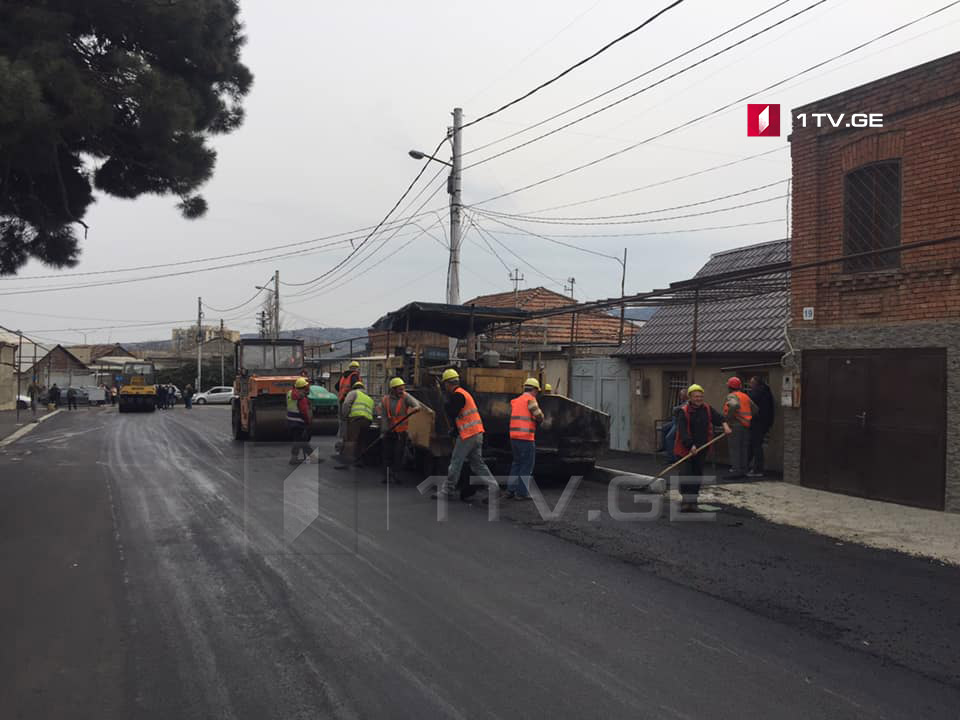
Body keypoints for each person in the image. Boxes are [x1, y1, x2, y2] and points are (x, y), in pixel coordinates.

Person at [435, 368, 497, 502]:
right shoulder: (464, 394)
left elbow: (453, 412)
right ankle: (494, 489)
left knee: (456, 462)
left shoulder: (457, 395)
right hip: (477, 433)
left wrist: (444, 404)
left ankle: (447, 491)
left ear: (448, 384)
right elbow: (463, 417)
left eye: (445, 384)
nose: (445, 387)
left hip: (468, 435)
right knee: (478, 464)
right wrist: (455, 431)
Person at [674, 384, 732, 512]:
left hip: (701, 448)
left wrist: (725, 426)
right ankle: (685, 502)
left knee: (696, 474)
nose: (699, 399)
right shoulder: (683, 411)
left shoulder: (707, 408)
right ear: (690, 397)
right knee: (686, 474)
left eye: (700, 396)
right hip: (685, 449)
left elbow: (719, 418)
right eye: (696, 396)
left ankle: (693, 502)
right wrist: (690, 445)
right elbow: (683, 432)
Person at [506, 378, 545, 500]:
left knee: (516, 463)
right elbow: (539, 415)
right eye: (537, 391)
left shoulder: (516, 401)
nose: (536, 394)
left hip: (514, 437)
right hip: (526, 438)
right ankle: (521, 493)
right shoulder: (530, 400)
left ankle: (510, 490)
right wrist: (540, 420)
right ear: (534, 390)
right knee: (526, 465)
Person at [381, 377, 421, 484]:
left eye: (402, 389)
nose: (401, 391)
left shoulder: (405, 397)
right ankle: (387, 476)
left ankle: (396, 475)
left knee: (398, 454)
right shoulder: (385, 400)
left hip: (401, 432)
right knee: (387, 454)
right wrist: (384, 431)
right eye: (399, 389)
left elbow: (417, 405)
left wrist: (416, 408)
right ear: (393, 389)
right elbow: (384, 417)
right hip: (389, 431)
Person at [722, 377, 758, 479]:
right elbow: (755, 409)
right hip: (746, 426)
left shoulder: (732, 396)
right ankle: (743, 470)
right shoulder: (745, 396)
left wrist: (729, 417)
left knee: (735, 449)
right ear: (740, 386)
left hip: (735, 425)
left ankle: (736, 471)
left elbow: (734, 405)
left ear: (729, 387)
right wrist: (747, 417)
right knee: (744, 448)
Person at [339, 380, 374, 466]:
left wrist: (345, 416)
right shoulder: (369, 398)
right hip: (367, 421)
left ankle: (346, 462)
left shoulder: (354, 393)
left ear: (354, 387)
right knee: (362, 441)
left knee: (351, 440)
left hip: (355, 419)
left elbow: (346, 404)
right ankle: (360, 460)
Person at [748, 376, 775, 478]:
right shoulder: (766, 392)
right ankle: (750, 467)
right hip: (764, 423)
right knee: (754, 445)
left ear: (756, 384)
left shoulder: (757, 393)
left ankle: (757, 470)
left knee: (756, 446)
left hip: (758, 423)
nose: (750, 385)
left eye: (751, 383)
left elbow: (749, 402)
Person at [335, 361, 362, 452]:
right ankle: (347, 443)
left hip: (341, 400)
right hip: (349, 401)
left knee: (343, 421)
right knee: (349, 421)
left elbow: (336, 386)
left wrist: (343, 392)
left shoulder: (344, 376)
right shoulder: (354, 376)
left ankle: (341, 441)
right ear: (356, 368)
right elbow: (356, 388)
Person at [287, 377, 313, 465]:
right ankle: (311, 457)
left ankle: (295, 458)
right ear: (303, 387)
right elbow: (304, 412)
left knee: (299, 440)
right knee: (301, 441)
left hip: (290, 421)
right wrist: (308, 421)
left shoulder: (289, 393)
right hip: (299, 422)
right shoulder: (301, 398)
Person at [662, 388, 689, 462]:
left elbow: (678, 410)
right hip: (675, 421)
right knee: (664, 428)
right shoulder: (682, 402)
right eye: (680, 395)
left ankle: (672, 458)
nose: (680, 396)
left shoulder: (688, 402)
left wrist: (676, 409)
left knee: (669, 438)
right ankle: (664, 446)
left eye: (682, 395)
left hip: (679, 422)